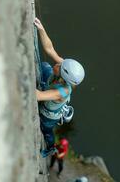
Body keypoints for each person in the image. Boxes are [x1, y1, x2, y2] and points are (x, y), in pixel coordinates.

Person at [34, 18, 85, 157]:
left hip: (49, 114)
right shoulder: (63, 70)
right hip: (50, 87)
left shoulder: (60, 92)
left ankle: (50, 147)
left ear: (63, 77)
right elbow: (50, 49)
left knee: (46, 130)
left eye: (60, 67)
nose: (58, 63)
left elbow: (38, 96)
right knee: (45, 66)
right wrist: (41, 28)